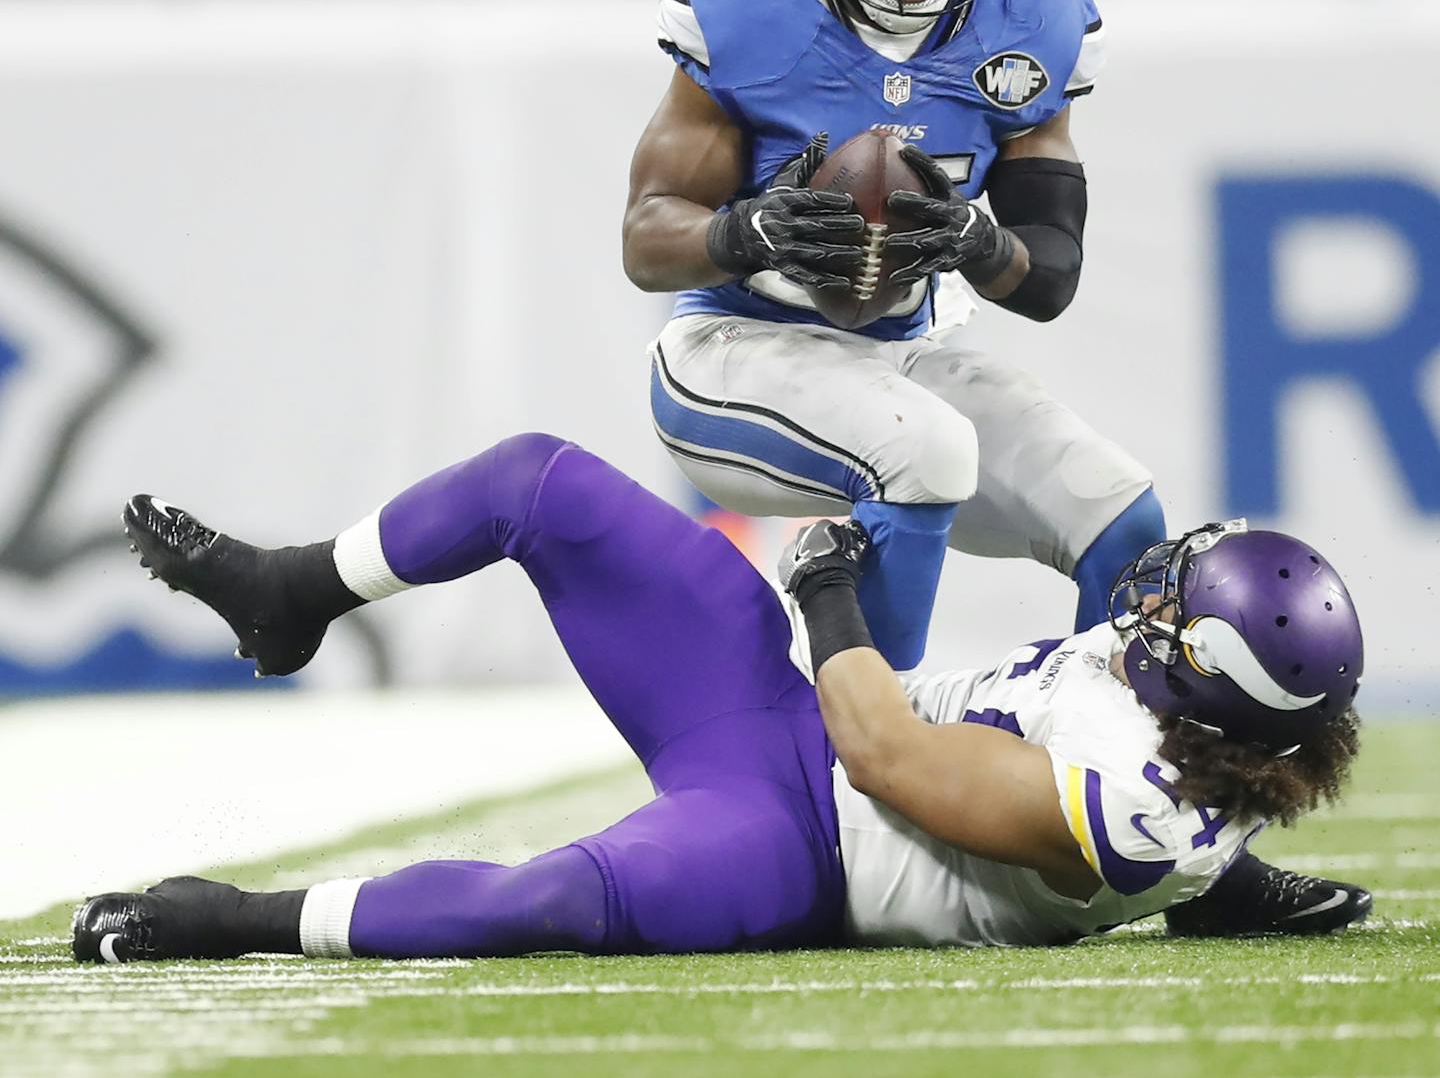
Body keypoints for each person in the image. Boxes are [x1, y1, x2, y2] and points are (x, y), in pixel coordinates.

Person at [73, 434, 1368, 963]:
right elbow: (1180, 836)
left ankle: (235, 914)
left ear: (1205, 675)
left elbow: (892, 761)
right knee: (542, 482)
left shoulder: (1149, 803)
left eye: (1168, 607)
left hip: (799, 844)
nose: (1142, 599)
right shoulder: (1200, 769)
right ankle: (294, 587)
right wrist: (1232, 886)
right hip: (772, 718)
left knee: (556, 899)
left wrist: (830, 586)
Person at [624, 0, 1163, 677]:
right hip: (734, 350)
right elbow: (645, 238)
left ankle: (1088, 766)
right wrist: (746, 233)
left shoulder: (1028, 17)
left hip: (903, 355)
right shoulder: (750, 5)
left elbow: (1051, 276)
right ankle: (871, 767)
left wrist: (976, 241)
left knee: (1121, 511)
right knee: (929, 447)